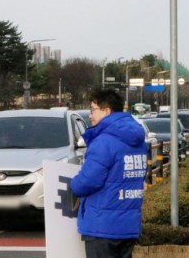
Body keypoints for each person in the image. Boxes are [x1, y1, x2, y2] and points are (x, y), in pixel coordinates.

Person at [70, 88, 148, 258]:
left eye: (93, 110)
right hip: (129, 226)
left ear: (106, 111)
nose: (90, 115)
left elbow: (87, 182)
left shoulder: (104, 142)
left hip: (102, 227)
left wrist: (73, 184)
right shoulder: (139, 142)